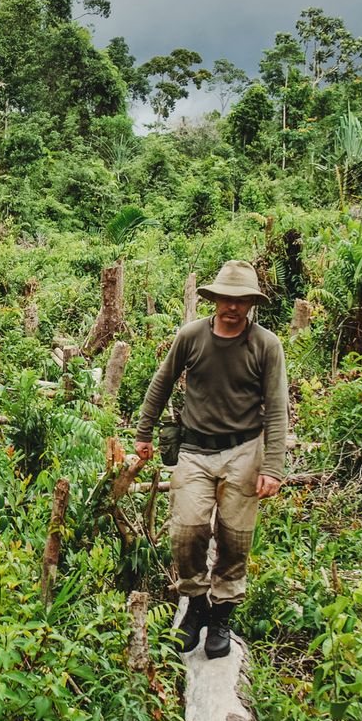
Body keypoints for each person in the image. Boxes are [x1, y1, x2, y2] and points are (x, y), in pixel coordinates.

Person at [134, 260, 287, 659]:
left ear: (252, 303)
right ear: (214, 298)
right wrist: (143, 433)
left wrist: (272, 467)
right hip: (195, 450)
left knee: (236, 538)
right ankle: (196, 605)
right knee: (187, 532)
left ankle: (222, 613)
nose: (232, 307)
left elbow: (276, 407)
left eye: (242, 301)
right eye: (226, 299)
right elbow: (161, 382)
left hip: (244, 451)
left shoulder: (266, 345)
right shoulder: (192, 336)